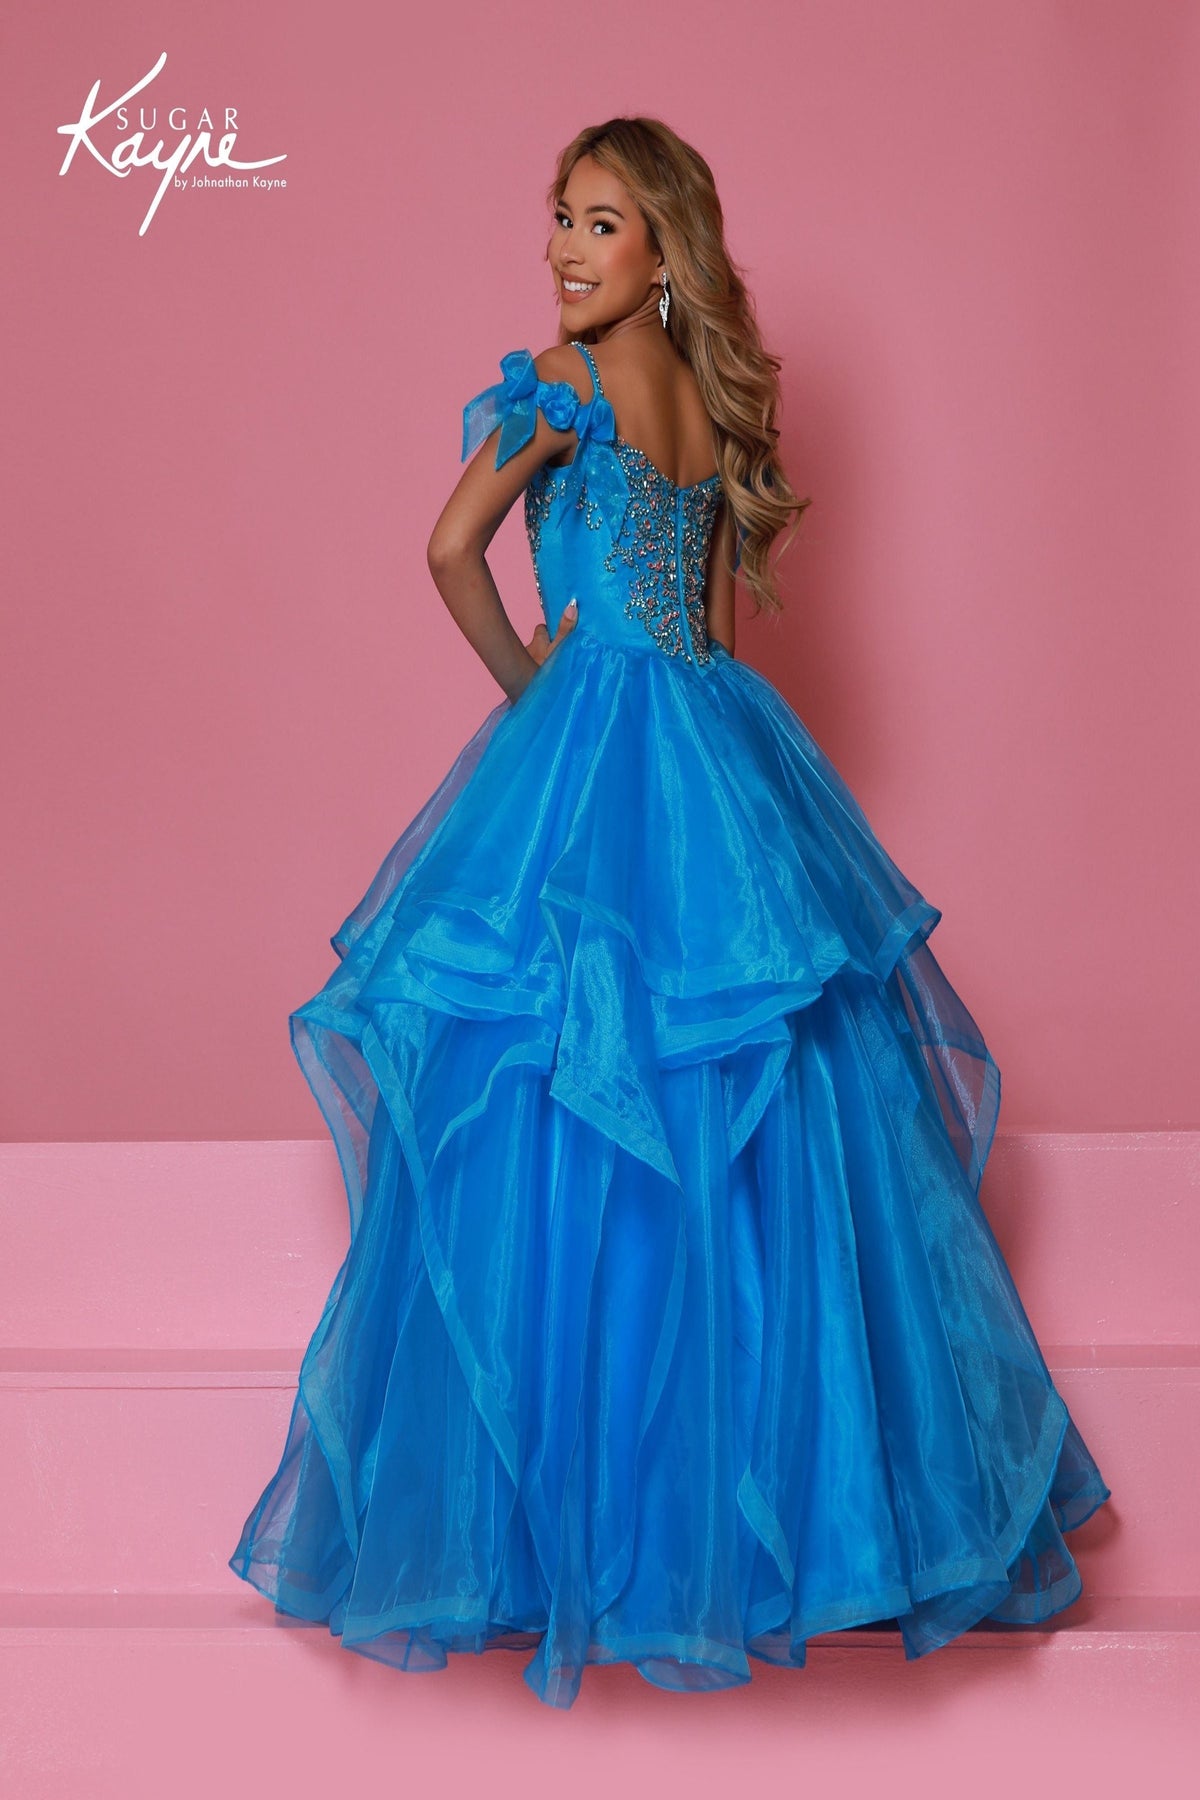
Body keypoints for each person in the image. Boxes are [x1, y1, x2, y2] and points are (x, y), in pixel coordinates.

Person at [228, 116, 1111, 1711]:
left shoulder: (564, 391)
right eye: (560, 217)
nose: (564, 247)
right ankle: (797, 1529)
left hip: (595, 742)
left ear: (663, 248)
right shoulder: (708, 399)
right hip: (717, 751)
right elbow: (710, 631)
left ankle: (565, 1541)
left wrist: (533, 695)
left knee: (568, 1098)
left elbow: (448, 549)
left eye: (601, 222)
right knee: (755, 1110)